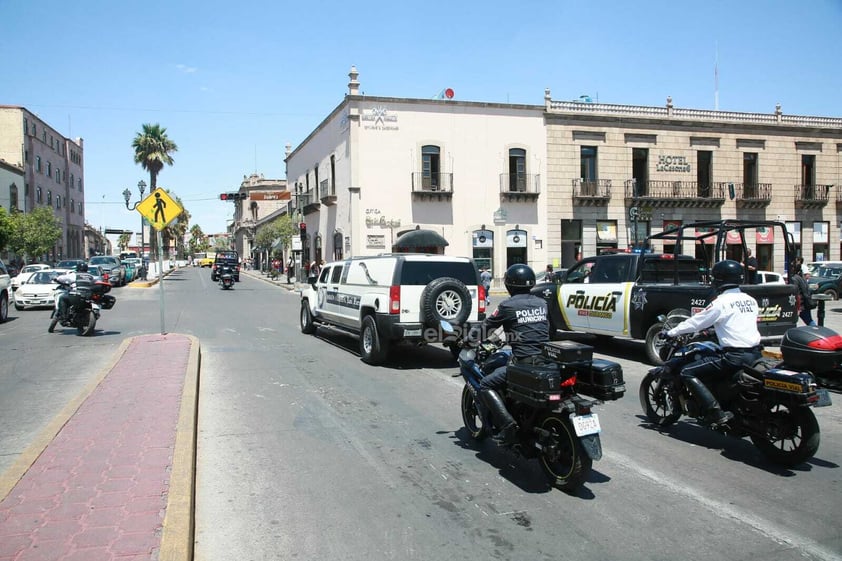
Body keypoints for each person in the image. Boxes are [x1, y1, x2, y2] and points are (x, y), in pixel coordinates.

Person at [660, 259, 762, 426]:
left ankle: (715, 412)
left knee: (687, 372)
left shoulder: (721, 303)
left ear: (719, 279)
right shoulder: (750, 300)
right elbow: (737, 323)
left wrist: (671, 332)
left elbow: (696, 322)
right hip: (755, 354)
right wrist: (714, 330)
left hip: (734, 357)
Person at [471, 264, 549, 445]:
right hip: (546, 361)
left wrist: (468, 340)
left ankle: (508, 427)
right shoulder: (542, 303)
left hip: (524, 363)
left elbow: (485, 328)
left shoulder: (507, 306)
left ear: (508, 285)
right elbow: (544, 330)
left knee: (485, 384)